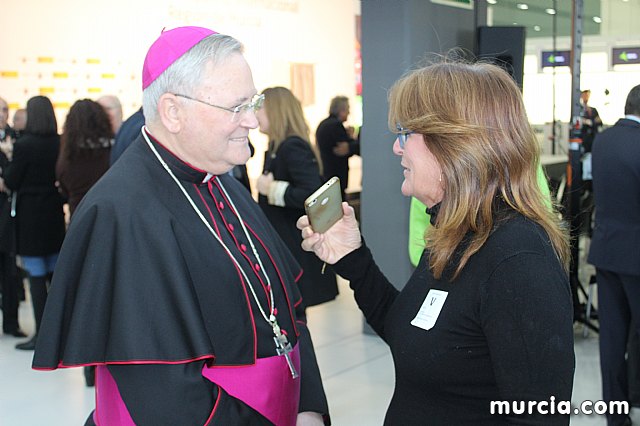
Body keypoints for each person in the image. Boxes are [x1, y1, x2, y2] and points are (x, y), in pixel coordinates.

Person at [33, 26, 329, 426]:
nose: (253, 122)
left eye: (253, 102)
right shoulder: (121, 213)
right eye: (236, 107)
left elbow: (288, 312)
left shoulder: (222, 182)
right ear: (173, 111)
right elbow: (168, 397)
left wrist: (308, 405)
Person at [298, 61, 575, 425]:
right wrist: (353, 259)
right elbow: (413, 333)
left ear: (452, 146)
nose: (397, 149)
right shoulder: (458, 231)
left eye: (405, 133)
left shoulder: (518, 259)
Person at [256, 86, 338, 308]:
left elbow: (311, 193)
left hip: (294, 245)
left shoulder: (291, 146)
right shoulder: (278, 146)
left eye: (260, 107)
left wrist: (273, 189)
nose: (255, 114)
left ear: (276, 110)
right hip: (286, 242)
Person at [588, 84, 640, 426]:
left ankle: (615, 415)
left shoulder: (602, 140)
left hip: (606, 252)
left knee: (611, 336)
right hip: (637, 259)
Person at [2, 96, 66, 351]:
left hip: (30, 216)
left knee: (36, 276)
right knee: (52, 274)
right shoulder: (59, 142)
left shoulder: (24, 145)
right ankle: (60, 335)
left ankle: (43, 337)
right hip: (52, 213)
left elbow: (12, 180)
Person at [56, 99, 113, 216]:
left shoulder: (68, 155)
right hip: (108, 214)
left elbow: (63, 184)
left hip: (78, 215)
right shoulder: (112, 151)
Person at [0, 97, 26, 338]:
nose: (2, 114)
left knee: (10, 271)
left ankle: (11, 322)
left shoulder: (16, 137)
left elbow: (15, 178)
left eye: (5, 110)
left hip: (9, 214)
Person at [315, 96, 358, 196]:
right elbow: (344, 149)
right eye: (348, 109)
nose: (349, 113)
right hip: (336, 176)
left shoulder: (323, 124)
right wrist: (352, 140)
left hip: (326, 173)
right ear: (341, 110)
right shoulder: (335, 125)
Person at [580, 89, 602, 154]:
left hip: (593, 138)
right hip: (584, 138)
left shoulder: (593, 110)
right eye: (585, 95)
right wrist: (592, 121)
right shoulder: (579, 110)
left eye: (587, 95)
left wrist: (589, 122)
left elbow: (599, 122)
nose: (586, 97)